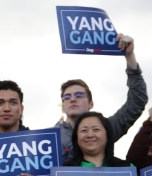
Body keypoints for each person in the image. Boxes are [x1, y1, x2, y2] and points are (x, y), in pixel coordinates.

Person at [55, 33, 147, 162]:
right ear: (62, 106)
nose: (73, 99)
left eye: (79, 95)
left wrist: (129, 56)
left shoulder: (107, 128)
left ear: (91, 104)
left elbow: (137, 102)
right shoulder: (51, 137)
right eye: (67, 97)